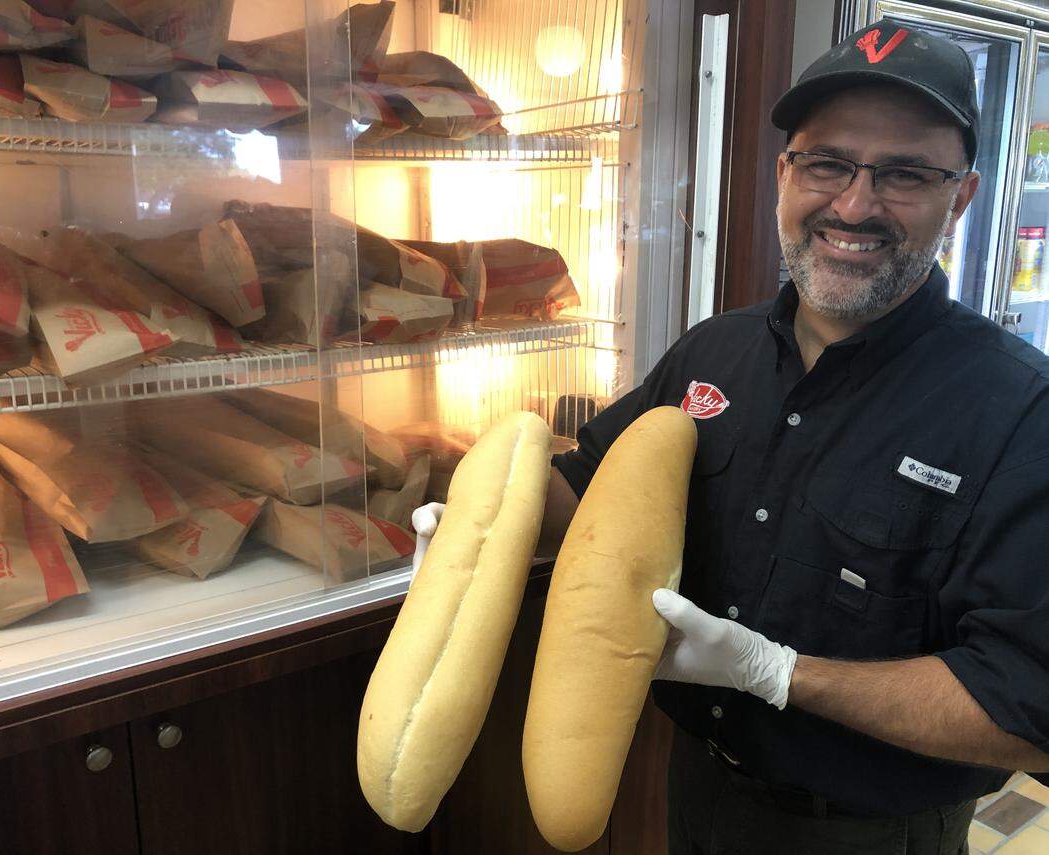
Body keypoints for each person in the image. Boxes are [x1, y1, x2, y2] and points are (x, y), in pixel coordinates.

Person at [413, 20, 1049, 854]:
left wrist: (778, 672)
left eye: (904, 175)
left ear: (960, 197)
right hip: (699, 787)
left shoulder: (1018, 411)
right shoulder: (714, 351)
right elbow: (588, 479)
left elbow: (1025, 708)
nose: (855, 205)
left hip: (865, 834)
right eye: (828, 163)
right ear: (784, 174)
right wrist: (483, 522)